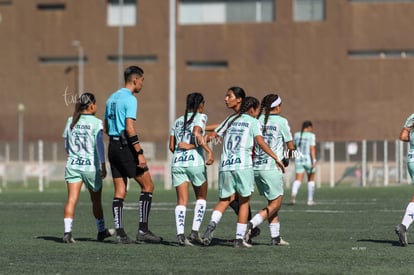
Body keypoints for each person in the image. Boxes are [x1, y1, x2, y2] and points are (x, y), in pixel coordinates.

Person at [201, 96, 285, 248]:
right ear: (252, 109)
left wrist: (198, 138)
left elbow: (212, 136)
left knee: (224, 200)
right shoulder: (252, 122)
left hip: (225, 166)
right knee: (244, 202)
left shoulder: (231, 120)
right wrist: (276, 157)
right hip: (243, 166)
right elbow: (261, 142)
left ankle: (211, 226)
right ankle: (240, 239)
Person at [104, 65, 162, 244]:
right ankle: (143, 231)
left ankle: (120, 234)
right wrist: (139, 153)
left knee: (120, 191)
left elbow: (105, 127)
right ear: (135, 80)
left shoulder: (111, 98)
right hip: (125, 147)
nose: (142, 84)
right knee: (148, 186)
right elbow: (130, 128)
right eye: (142, 80)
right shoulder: (130, 99)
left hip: (112, 147)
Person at [205, 87, 261, 241]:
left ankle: (247, 231)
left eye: (229, 96)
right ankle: (246, 232)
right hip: (242, 165)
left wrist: (200, 129)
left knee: (233, 199)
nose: (225, 99)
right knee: (240, 200)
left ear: (240, 100)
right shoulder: (235, 118)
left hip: (238, 163)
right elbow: (219, 128)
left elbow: (217, 129)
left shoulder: (250, 117)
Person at [62, 92, 114, 243]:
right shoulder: (97, 123)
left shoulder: (71, 120)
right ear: (91, 105)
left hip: (73, 165)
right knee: (96, 201)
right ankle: (101, 231)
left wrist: (73, 155)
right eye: (96, 103)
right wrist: (103, 165)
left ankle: (67, 233)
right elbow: (99, 145)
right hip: (90, 167)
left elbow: (66, 145)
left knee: (71, 200)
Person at [245, 94, 294, 246]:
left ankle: (275, 237)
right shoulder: (282, 121)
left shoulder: (256, 120)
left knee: (272, 202)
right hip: (272, 168)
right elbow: (291, 147)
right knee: (276, 204)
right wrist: (287, 158)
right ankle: (251, 225)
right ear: (278, 107)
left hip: (256, 167)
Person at [169, 92, 214, 246]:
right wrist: (208, 151)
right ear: (200, 105)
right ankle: (194, 232)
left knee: (181, 201)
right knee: (201, 198)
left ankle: (180, 235)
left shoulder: (177, 121)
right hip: (195, 163)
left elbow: (171, 146)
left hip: (177, 163)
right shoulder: (201, 116)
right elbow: (196, 133)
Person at [395, 114, 414, 246]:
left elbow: (402, 136)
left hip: (411, 160)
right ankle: (403, 225)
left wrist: (406, 127)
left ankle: (403, 226)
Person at [290, 120, 317, 206]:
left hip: (298, 160)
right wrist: (314, 160)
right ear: (309, 127)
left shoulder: (297, 135)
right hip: (308, 159)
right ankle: (310, 200)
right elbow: (312, 148)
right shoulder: (311, 136)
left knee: (298, 180)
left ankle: (294, 193)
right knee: (311, 180)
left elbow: (293, 147)